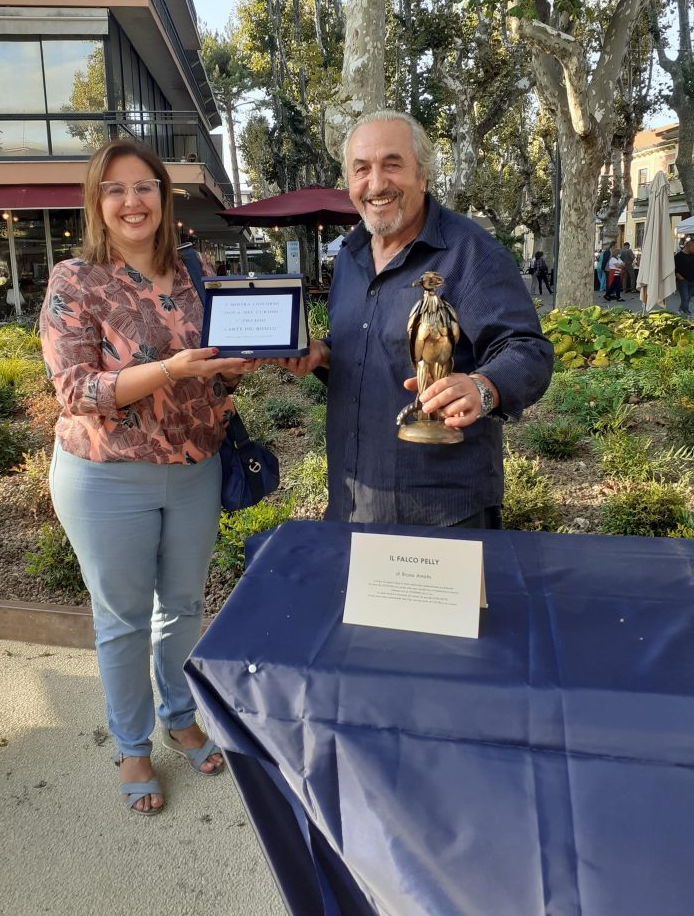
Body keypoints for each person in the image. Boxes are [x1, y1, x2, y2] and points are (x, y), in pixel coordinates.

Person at [39, 140, 253, 816]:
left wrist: (230, 367)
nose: (132, 201)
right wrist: (173, 369)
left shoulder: (196, 270)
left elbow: (214, 359)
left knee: (183, 608)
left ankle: (178, 713)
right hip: (107, 478)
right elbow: (76, 390)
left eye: (144, 187)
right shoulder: (75, 280)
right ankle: (132, 743)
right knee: (124, 621)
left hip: (193, 468)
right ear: (97, 204)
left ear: (164, 197)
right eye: (115, 189)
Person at [275, 110, 553, 528]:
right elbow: (367, 348)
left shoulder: (470, 253)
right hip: (353, 498)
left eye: (392, 164)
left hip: (443, 512)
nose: (376, 183)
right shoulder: (349, 257)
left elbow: (528, 351)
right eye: (362, 169)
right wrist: (324, 355)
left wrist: (483, 386)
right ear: (350, 183)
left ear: (423, 176)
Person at [674, 236, 694, 316]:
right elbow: (674, 268)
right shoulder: (678, 256)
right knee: (685, 297)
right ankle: (686, 312)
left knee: (688, 297)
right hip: (682, 280)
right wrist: (679, 276)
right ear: (688, 246)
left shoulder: (693, 255)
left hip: (692, 280)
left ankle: (680, 310)